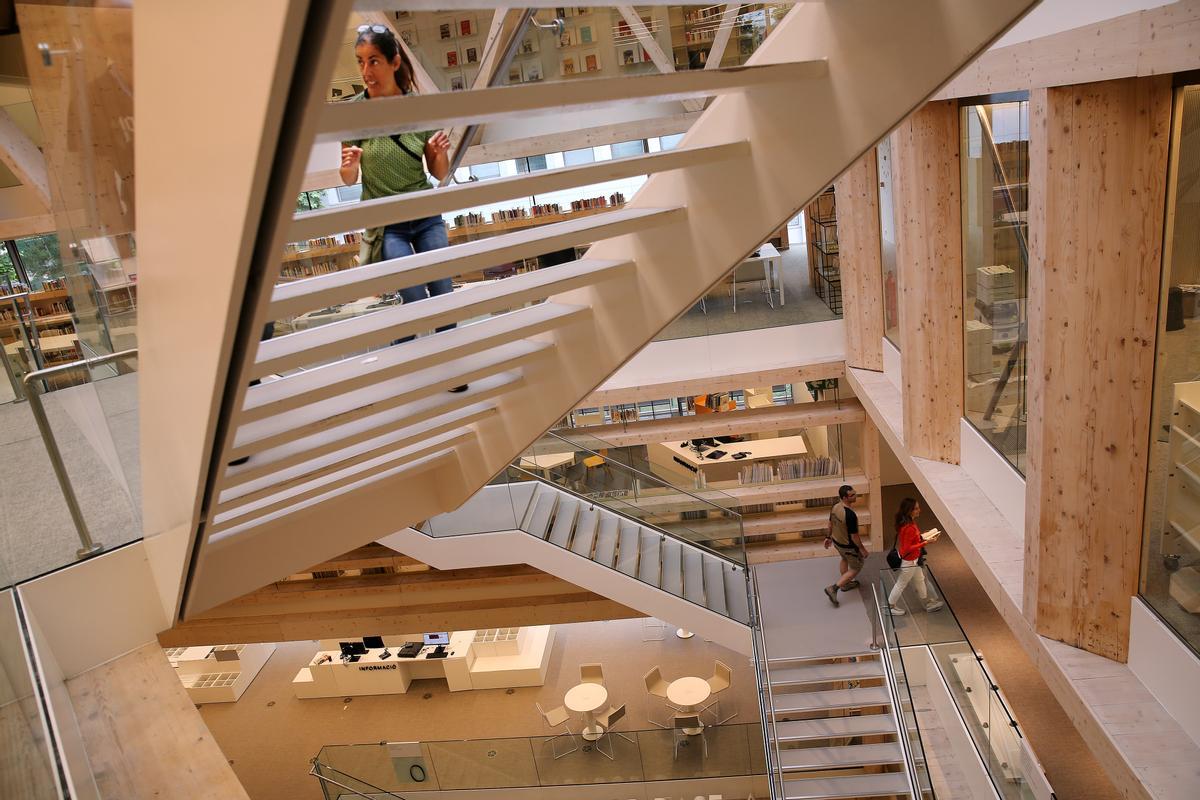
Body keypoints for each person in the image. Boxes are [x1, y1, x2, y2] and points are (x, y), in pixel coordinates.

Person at [340, 24, 466, 391]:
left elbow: (438, 173)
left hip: (425, 216)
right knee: (412, 295)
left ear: (394, 62)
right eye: (360, 62)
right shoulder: (354, 114)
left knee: (442, 292)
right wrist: (348, 168)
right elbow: (348, 177)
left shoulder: (418, 108)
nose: (366, 72)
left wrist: (438, 155)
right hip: (389, 225)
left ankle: (450, 366)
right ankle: (407, 359)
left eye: (374, 61)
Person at [886, 497, 944, 615]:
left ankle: (928, 602)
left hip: (913, 559)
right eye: (916, 509)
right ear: (909, 511)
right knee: (901, 583)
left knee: (920, 580)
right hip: (909, 561)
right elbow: (908, 548)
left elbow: (912, 541)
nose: (919, 510)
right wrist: (926, 542)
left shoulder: (909, 523)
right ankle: (890, 606)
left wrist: (922, 538)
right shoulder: (909, 527)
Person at [823, 484, 868, 607]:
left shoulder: (835, 507)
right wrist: (862, 550)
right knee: (856, 567)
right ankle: (834, 588)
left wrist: (828, 537)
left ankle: (846, 584)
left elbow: (830, 524)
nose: (855, 496)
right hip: (848, 546)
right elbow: (854, 537)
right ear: (845, 497)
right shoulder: (850, 515)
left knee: (844, 559)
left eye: (855, 493)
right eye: (852, 495)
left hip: (837, 542)